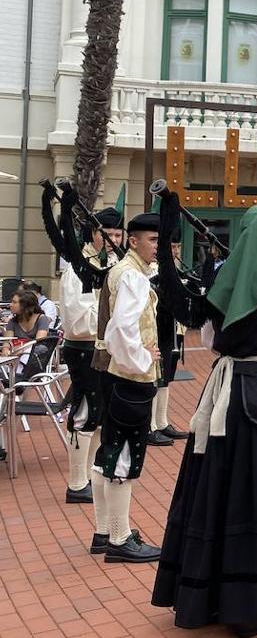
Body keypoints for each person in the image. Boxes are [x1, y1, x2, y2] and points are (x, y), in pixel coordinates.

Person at [152, 205, 257, 637]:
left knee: (218, 488)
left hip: (225, 393)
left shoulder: (222, 281)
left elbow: (209, 339)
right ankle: (254, 604)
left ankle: (209, 596)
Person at [91, 213, 164, 564]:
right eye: (152, 240)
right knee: (124, 455)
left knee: (109, 450)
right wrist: (142, 358)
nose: (157, 247)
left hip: (114, 374)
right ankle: (119, 538)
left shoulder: (122, 271)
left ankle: (105, 531)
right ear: (133, 241)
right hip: (129, 378)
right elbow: (121, 329)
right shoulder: (132, 275)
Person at [57, 206, 124, 507]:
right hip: (84, 348)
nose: (112, 239)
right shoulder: (79, 266)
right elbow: (78, 320)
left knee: (99, 416)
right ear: (93, 234)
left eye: (116, 234)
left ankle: (88, 474)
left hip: (103, 348)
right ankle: (76, 482)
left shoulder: (112, 263)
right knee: (86, 411)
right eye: (106, 234)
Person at [147, 226, 191, 448]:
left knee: (166, 377)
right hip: (157, 327)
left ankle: (162, 422)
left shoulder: (174, 268)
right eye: (171, 246)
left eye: (177, 247)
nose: (175, 251)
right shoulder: (153, 268)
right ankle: (150, 426)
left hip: (173, 329)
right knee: (155, 376)